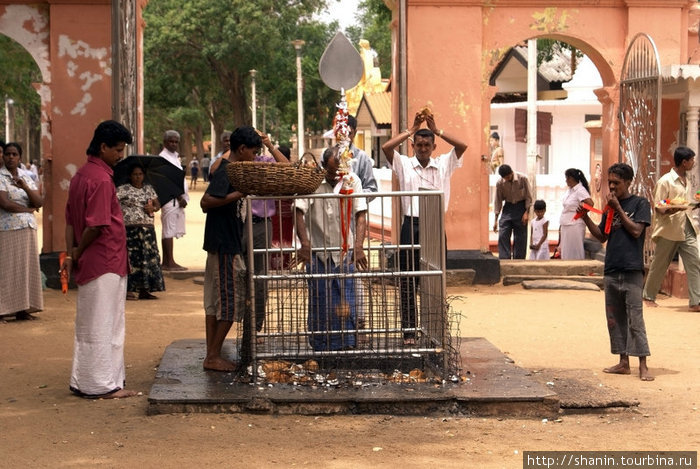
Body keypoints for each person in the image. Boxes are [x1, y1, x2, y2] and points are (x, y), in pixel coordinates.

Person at [200, 126, 288, 372]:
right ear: (241, 149)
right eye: (253, 151)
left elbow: (285, 168)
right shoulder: (227, 171)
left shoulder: (233, 169)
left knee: (214, 303)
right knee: (229, 302)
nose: (254, 155)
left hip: (222, 242)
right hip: (225, 243)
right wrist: (239, 193)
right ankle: (213, 355)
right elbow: (205, 202)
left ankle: (212, 353)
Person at [62, 120, 138, 398]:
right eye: (117, 150)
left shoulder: (80, 175)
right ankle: (103, 385)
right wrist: (79, 252)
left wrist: (72, 254)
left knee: (89, 323)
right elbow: (95, 225)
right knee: (106, 323)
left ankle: (87, 380)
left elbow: (70, 220)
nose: (120, 155)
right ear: (103, 146)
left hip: (97, 260)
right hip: (105, 258)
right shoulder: (101, 180)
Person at [381, 109, 467, 345]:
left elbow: (462, 146)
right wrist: (410, 130)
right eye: (418, 145)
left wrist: (437, 128)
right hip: (411, 224)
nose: (422, 149)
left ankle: (435, 328)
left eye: (427, 145)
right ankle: (409, 331)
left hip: (435, 225)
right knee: (408, 278)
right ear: (413, 146)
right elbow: (387, 148)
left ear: (433, 146)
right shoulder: (404, 165)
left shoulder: (444, 164)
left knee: (435, 279)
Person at [580, 162, 654, 381]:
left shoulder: (640, 204)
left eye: (616, 183)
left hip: (631, 269)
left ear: (628, 182)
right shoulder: (609, 208)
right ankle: (623, 361)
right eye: (610, 183)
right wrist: (585, 218)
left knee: (635, 318)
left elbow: (636, 231)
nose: (612, 188)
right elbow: (602, 235)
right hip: (611, 268)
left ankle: (642, 363)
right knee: (614, 317)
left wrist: (618, 208)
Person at [295, 145, 369, 351]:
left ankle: (348, 345)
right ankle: (321, 346)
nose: (338, 172)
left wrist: (359, 246)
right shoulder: (311, 182)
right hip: (319, 253)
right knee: (321, 302)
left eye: (341, 167)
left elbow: (360, 213)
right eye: (333, 168)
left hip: (345, 254)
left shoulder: (352, 180)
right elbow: (298, 211)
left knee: (348, 302)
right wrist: (305, 243)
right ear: (324, 166)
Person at [643, 146, 700, 312]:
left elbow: (685, 202)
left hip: (686, 226)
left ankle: (695, 301)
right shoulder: (665, 181)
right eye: (691, 160)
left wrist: (694, 205)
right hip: (669, 228)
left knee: (695, 261)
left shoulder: (686, 180)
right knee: (660, 263)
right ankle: (648, 295)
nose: (693, 163)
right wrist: (674, 208)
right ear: (684, 162)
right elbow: (659, 207)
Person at [246, 133, 289, 339]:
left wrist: (270, 145)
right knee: (240, 275)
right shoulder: (237, 163)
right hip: (240, 225)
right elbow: (215, 169)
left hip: (262, 224)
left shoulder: (265, 162)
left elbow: (287, 168)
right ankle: (241, 327)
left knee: (260, 277)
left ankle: (255, 327)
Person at [0, 142, 44, 320]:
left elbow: (39, 202)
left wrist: (25, 187)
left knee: (26, 270)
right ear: (3, 157)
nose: (11, 157)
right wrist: (26, 210)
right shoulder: (0, 177)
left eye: (14, 154)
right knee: (7, 270)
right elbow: (4, 203)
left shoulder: (27, 177)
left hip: (28, 229)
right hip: (8, 229)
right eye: (8, 154)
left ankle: (23, 309)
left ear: (20, 157)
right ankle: (3, 309)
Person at [116, 162, 165, 301]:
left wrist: (153, 209)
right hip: (130, 230)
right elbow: (112, 201)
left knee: (148, 259)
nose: (138, 177)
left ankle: (145, 290)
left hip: (147, 229)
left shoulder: (149, 189)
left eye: (140, 174)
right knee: (132, 259)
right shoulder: (123, 189)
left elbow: (157, 204)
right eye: (135, 174)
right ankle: (129, 290)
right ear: (130, 176)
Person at [159, 130, 189, 271]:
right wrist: (179, 197)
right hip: (171, 198)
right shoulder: (163, 157)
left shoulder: (175, 157)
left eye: (176, 142)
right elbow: (166, 180)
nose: (174, 144)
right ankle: (169, 262)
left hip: (176, 199)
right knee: (168, 230)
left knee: (169, 229)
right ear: (165, 142)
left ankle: (166, 262)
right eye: (171, 141)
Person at [493, 164, 533, 259]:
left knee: (520, 237)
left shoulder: (522, 179)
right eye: (505, 178)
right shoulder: (500, 183)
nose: (507, 179)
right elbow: (498, 201)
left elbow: (529, 197)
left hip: (521, 207)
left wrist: (526, 212)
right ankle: (504, 259)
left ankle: (518, 260)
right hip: (508, 207)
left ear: (511, 173)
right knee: (503, 233)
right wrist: (495, 219)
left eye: (508, 176)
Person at [559, 168, 594, 260]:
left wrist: (582, 213)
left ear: (572, 178)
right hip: (566, 223)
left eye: (567, 178)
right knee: (566, 251)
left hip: (575, 224)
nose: (566, 180)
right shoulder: (570, 190)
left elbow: (590, 203)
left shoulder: (580, 190)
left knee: (575, 251)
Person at [346, 115, 378, 194]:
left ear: (355, 133)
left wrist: (353, 195)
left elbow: (372, 189)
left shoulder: (362, 157)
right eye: (341, 134)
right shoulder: (327, 155)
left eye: (349, 133)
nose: (345, 138)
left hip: (355, 205)